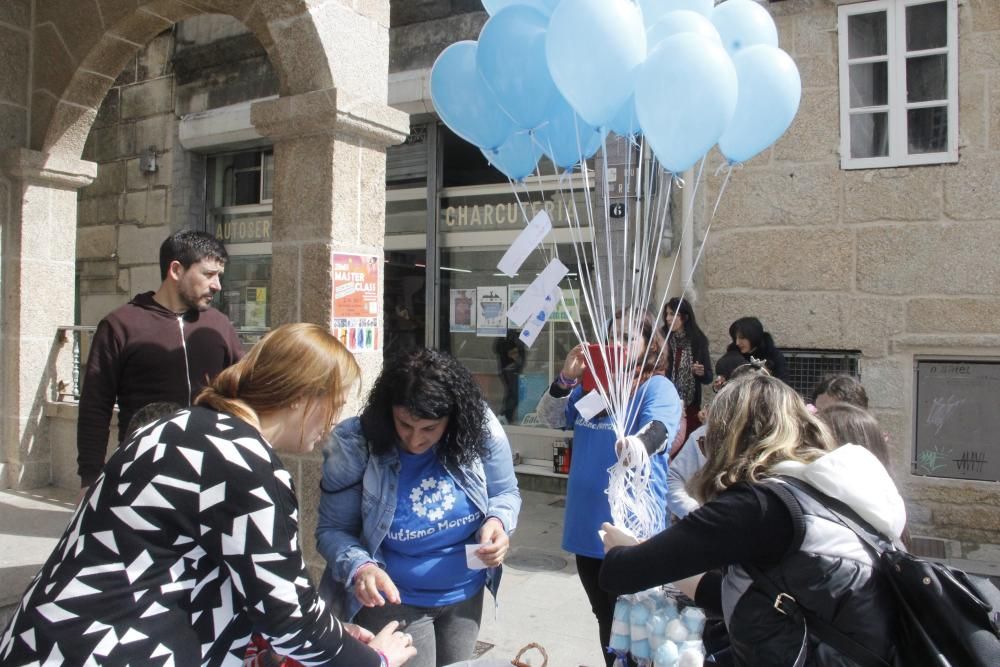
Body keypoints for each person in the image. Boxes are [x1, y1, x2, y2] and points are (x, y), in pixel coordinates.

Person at [0, 323, 415, 667]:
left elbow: (254, 587)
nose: (332, 422)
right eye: (334, 404)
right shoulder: (247, 463)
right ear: (303, 397)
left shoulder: (176, 426)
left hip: (48, 640)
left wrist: (331, 629)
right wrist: (373, 659)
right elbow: (290, 624)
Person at [599, 373, 904, 666]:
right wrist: (649, 552)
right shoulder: (818, 489)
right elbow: (738, 592)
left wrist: (623, 550)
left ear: (731, 440)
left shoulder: (759, 505)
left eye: (708, 442)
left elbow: (621, 573)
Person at [316, 348, 521, 667]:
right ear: (389, 412)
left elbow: (505, 491)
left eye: (430, 429)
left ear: (452, 419)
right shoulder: (355, 442)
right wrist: (362, 567)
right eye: (405, 425)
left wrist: (498, 521)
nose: (415, 440)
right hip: (394, 599)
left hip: (465, 594)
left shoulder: (478, 425)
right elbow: (332, 531)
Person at [535, 310, 682, 667]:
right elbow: (550, 418)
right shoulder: (591, 387)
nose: (618, 343)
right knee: (606, 618)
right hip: (587, 528)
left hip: (631, 530)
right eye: (612, 335)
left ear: (649, 344)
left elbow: (659, 430)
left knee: (637, 625)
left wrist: (636, 446)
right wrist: (566, 379)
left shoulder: (656, 386)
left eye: (629, 337)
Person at [76, 229, 244, 489]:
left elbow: (244, 389)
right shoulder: (120, 325)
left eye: (219, 276)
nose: (217, 285)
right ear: (176, 270)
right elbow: (95, 406)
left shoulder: (219, 325)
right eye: (208, 274)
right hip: (143, 471)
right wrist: (89, 478)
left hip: (212, 468)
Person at [662, 297, 713, 433]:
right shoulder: (662, 338)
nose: (668, 318)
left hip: (689, 405)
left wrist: (701, 373)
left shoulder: (698, 340)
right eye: (667, 314)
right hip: (665, 402)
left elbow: (709, 377)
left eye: (673, 314)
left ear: (685, 317)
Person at [726, 316, 788, 381]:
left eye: (742, 338)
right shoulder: (733, 354)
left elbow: (784, 384)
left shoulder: (773, 355)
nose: (737, 342)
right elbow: (725, 379)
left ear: (753, 336)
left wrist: (768, 376)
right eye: (736, 338)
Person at [493, 329, 527, 423]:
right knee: (514, 394)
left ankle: (506, 417)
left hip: (513, 368)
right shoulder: (509, 334)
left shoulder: (516, 334)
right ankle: (505, 416)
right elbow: (498, 348)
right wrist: (513, 350)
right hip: (509, 368)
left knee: (512, 393)